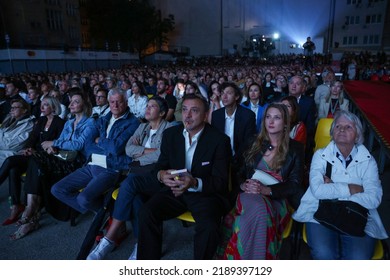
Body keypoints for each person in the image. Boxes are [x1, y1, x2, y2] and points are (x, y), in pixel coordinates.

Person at [136, 93, 232, 260]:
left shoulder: (219, 140)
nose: (187, 115)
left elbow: (221, 182)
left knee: (209, 227)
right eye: (185, 109)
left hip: (204, 194)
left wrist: (194, 182)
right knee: (146, 212)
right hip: (175, 190)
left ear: (205, 114)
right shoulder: (171, 135)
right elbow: (160, 166)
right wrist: (161, 175)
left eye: (194, 111)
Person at [293, 110, 388, 259]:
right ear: (332, 132)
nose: (342, 129)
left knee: (358, 258)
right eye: (338, 126)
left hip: (357, 214)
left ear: (357, 135)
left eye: (348, 127)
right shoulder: (320, 155)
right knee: (324, 254)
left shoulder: (368, 160)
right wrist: (353, 188)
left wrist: (332, 189)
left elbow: (373, 198)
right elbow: (317, 191)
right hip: (321, 212)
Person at [86, 96, 171, 260]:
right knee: (136, 199)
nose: (147, 108)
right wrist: (148, 151)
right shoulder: (142, 127)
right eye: (147, 105)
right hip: (138, 172)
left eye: (152, 106)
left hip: (155, 174)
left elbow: (162, 155)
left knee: (129, 183)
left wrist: (139, 154)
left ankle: (109, 238)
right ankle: (141, 244)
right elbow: (128, 149)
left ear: (161, 112)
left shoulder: (169, 129)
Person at [216, 103, 305, 259]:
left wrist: (267, 190)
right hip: (249, 194)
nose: (271, 121)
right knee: (257, 208)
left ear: (285, 123)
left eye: (277, 118)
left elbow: (295, 184)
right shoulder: (253, 142)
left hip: (277, 199)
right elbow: (238, 169)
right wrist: (243, 184)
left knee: (242, 224)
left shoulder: (295, 148)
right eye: (268, 117)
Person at [11, 88, 97, 240]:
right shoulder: (69, 123)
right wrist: (54, 146)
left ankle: (31, 211)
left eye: (76, 101)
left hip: (76, 162)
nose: (72, 104)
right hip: (62, 158)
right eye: (71, 102)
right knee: (37, 163)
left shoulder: (90, 123)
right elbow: (63, 142)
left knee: (37, 162)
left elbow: (78, 145)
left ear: (85, 104)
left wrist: (55, 143)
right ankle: (32, 212)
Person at [51, 88, 140, 215]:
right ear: (109, 103)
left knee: (84, 198)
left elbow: (116, 148)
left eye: (119, 102)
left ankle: (112, 218)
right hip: (93, 163)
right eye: (112, 102)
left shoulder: (133, 122)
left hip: (112, 167)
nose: (115, 105)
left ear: (126, 103)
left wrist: (99, 141)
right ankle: (105, 214)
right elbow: (88, 144)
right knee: (58, 189)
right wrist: (104, 144)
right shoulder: (103, 119)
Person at [0, 97, 65, 225]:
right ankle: (15, 205)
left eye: (46, 105)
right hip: (33, 155)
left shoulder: (59, 122)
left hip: (48, 158)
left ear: (53, 107)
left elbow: (57, 145)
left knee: (10, 161)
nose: (42, 107)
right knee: (13, 169)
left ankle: (20, 207)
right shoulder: (41, 120)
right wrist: (28, 148)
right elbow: (33, 138)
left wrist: (36, 151)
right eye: (42, 104)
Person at [0, 99, 35, 166]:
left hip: (12, 153)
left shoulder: (28, 125)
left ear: (24, 110)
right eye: (12, 107)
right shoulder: (8, 121)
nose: (12, 110)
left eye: (15, 107)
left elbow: (12, 145)